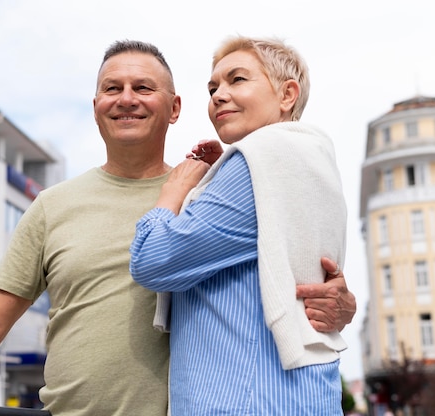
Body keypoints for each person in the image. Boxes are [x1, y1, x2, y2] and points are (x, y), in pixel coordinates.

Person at [0, 40, 355, 416]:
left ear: (174, 108)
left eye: (143, 87)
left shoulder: (209, 196)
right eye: (112, 88)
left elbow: (285, 261)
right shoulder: (52, 206)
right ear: (96, 106)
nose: (127, 98)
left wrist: (339, 302)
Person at [130, 36, 348, 415]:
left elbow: (152, 260)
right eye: (213, 87)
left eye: (238, 80)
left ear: (287, 95)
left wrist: (175, 191)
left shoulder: (257, 162)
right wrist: (217, 178)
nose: (218, 95)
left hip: (240, 399)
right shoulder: (312, 161)